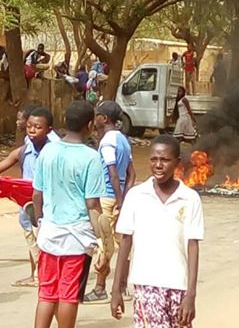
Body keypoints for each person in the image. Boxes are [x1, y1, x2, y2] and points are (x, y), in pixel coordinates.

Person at [111, 134, 204, 328]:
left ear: (177, 162)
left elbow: (192, 245)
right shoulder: (136, 196)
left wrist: (191, 294)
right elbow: (125, 242)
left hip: (178, 285)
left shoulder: (189, 198)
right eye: (154, 159)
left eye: (165, 159)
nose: (158, 165)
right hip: (147, 285)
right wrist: (116, 290)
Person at [32, 101, 107, 328]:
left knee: (46, 293)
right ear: (90, 124)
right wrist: (102, 239)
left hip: (50, 232)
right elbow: (93, 203)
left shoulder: (48, 150)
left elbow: (37, 194)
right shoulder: (91, 157)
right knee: (69, 294)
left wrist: (39, 223)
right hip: (77, 236)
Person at [0, 107, 58, 287]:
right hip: (25, 203)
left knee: (45, 240)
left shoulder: (54, 152)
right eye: (30, 126)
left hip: (47, 205)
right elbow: (10, 159)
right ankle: (35, 275)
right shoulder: (25, 149)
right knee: (30, 238)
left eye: (37, 127)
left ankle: (47, 276)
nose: (32, 130)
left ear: (48, 129)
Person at [84, 101, 136, 303]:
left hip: (106, 197)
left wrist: (119, 200)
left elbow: (113, 173)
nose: (94, 119)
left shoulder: (107, 142)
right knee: (121, 242)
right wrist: (124, 197)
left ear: (103, 119)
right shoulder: (123, 140)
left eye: (97, 115)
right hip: (119, 196)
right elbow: (131, 174)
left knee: (104, 243)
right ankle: (122, 286)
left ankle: (99, 288)